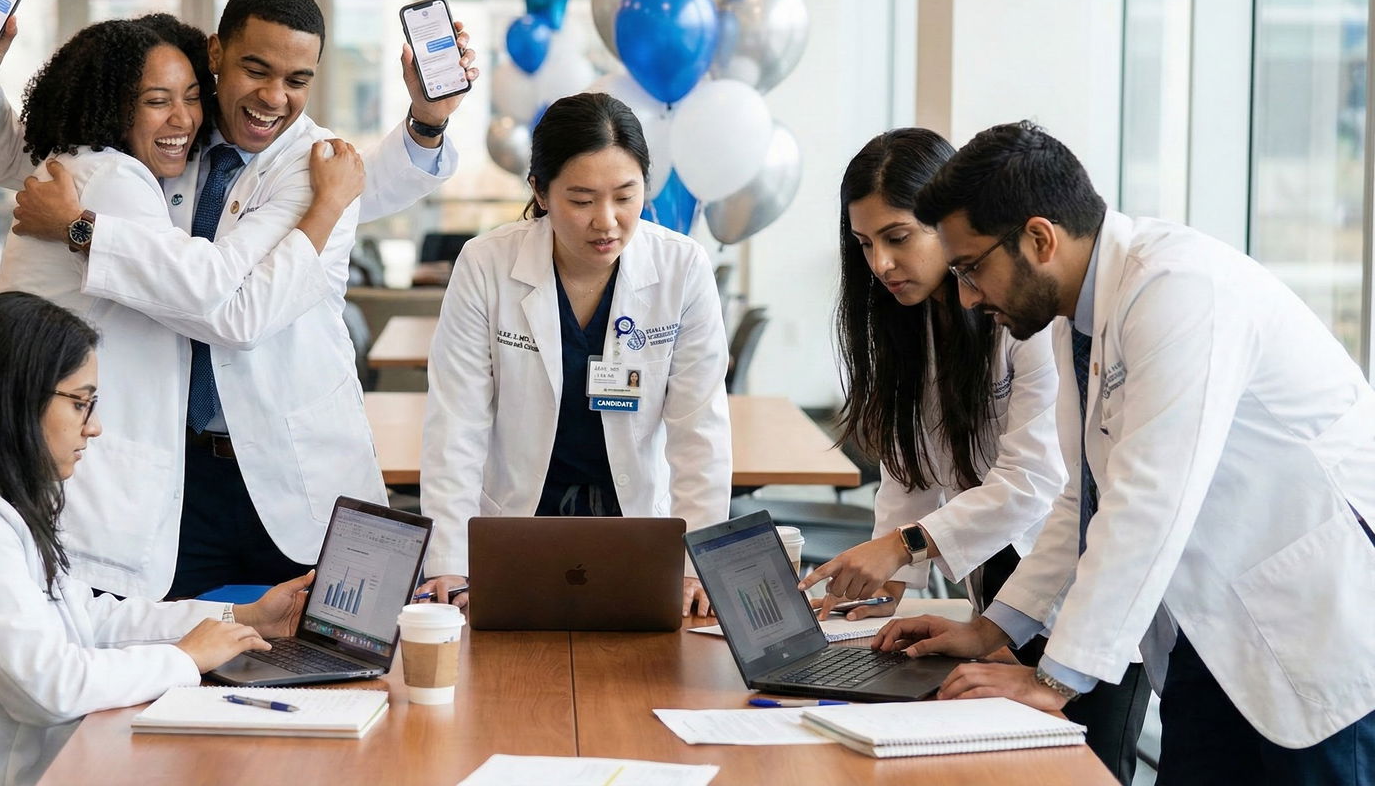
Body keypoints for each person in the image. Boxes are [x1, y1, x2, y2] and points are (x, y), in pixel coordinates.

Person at [0, 0, 477, 599]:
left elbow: (233, 310)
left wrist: (80, 228)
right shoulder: (161, 131)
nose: (274, 98)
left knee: (333, 661)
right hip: (168, 469)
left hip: (289, 470)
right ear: (216, 54)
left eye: (297, 81)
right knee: (170, 663)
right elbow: (42, 153)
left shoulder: (318, 167)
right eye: (255, 69)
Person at [876, 121, 1375, 785]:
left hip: (1312, 627)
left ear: (1039, 239)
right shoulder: (1080, 316)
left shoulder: (1180, 289)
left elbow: (1148, 501)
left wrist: (1051, 681)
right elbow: (1081, 498)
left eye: (970, 269)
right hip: (1211, 631)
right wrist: (995, 628)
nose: (966, 295)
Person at [0, 292, 314, 786]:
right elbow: (48, 687)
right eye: (81, 403)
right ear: (13, 399)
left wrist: (244, 617)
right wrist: (184, 659)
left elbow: (88, 617)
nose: (94, 428)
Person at [794, 128, 1148, 784]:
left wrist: (903, 548)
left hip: (1080, 588)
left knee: (1085, 771)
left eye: (898, 237)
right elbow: (911, 467)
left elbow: (1039, 481)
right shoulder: (911, 321)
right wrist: (883, 581)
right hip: (1001, 586)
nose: (880, 263)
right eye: (865, 244)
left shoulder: (1033, 313)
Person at [0, 14, 362, 603]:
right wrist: (325, 210)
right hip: (121, 461)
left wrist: (417, 133)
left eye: (188, 99)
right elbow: (213, 295)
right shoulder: (117, 177)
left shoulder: (308, 161)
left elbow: (233, 310)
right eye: (157, 101)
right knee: (141, 651)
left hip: (271, 471)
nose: (182, 118)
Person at [415, 93, 731, 616]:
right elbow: (457, 422)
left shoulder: (682, 268)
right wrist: (450, 559)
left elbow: (701, 432)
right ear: (540, 191)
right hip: (517, 523)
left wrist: (699, 564)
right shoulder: (486, 264)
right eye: (582, 201)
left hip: (637, 528)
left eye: (625, 196)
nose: (606, 222)